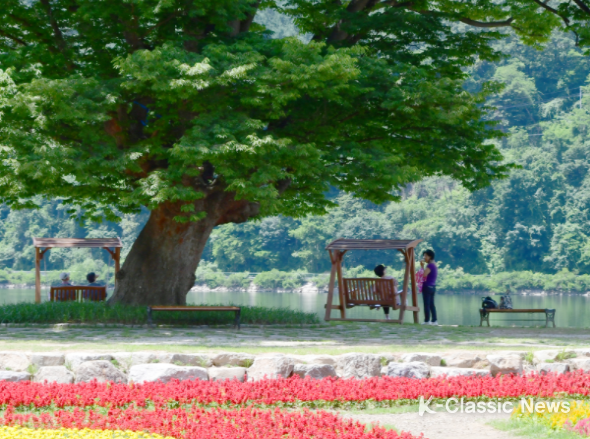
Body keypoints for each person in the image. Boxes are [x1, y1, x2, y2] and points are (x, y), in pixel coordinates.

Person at [420, 250, 438, 325]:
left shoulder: (430, 265)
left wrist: (422, 266)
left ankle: (427, 321)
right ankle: (434, 320)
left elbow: (423, 275)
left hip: (427, 286)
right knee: (431, 304)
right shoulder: (434, 265)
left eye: (425, 256)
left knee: (426, 304)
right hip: (432, 286)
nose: (424, 257)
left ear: (430, 256)